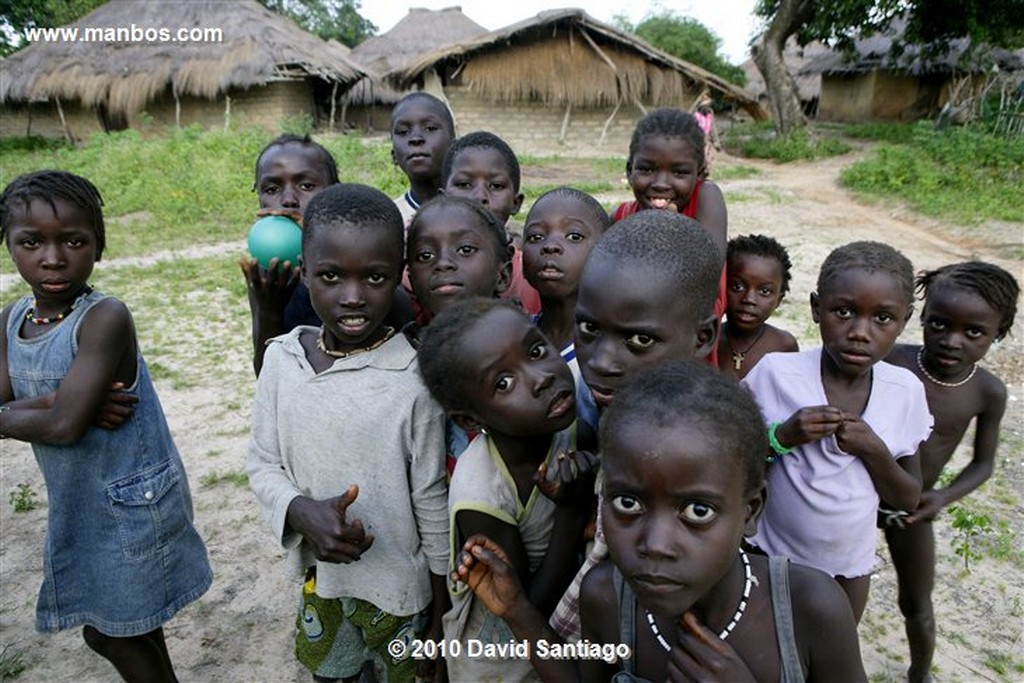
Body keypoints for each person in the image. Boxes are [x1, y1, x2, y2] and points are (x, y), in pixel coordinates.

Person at [451, 361, 866, 682]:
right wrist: (517, 611)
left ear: (751, 511)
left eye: (697, 511)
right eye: (628, 503)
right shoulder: (607, 596)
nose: (655, 543)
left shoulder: (810, 607)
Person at [0, 170, 212, 682]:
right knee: (130, 628)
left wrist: (61, 410)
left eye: (74, 241)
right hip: (81, 502)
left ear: (99, 245)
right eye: (31, 242)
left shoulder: (105, 317)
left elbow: (65, 426)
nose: (53, 258)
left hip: (130, 506)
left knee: (111, 632)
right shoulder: (10, 318)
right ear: (8, 245)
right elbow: (29, 409)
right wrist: (58, 401)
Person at [246, 183, 449, 682]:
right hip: (321, 584)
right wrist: (299, 511)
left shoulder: (414, 379)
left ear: (399, 277)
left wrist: (443, 616)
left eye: (375, 277)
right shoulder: (282, 359)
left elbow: (430, 499)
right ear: (305, 273)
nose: (353, 296)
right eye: (331, 276)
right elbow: (262, 462)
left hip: (401, 594)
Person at [550, 211, 723, 641]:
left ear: (703, 338)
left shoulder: (685, 445)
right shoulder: (627, 404)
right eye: (589, 329)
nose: (602, 362)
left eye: (639, 340)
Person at [743, 240, 932, 623]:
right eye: (843, 312)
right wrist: (782, 437)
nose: (860, 332)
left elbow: (908, 497)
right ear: (816, 308)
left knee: (830, 661)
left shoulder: (904, 390)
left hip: (847, 569)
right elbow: (731, 463)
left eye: (883, 318)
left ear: (906, 320)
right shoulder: (776, 374)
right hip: (765, 555)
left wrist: (874, 450)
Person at [418, 298, 594, 682]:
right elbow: (526, 607)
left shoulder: (564, 423)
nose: (542, 377)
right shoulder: (480, 492)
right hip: (502, 660)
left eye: (536, 351)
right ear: (470, 418)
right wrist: (572, 512)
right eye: (504, 382)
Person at [883, 261, 1018, 683]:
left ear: (999, 334)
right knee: (830, 584)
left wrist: (941, 497)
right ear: (920, 318)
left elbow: (983, 464)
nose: (951, 341)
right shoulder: (891, 362)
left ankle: (920, 674)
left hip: (913, 507)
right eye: (938, 324)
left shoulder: (987, 392)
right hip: (853, 494)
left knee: (917, 604)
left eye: (973, 332)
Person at [612, 107, 729, 365]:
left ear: (699, 173)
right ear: (630, 169)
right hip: (630, 356)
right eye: (647, 169)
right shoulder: (620, 217)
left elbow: (708, 266)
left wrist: (667, 227)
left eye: (679, 173)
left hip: (688, 356)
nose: (661, 183)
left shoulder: (705, 199)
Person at [239, 134, 338, 376]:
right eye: (271, 189)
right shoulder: (269, 269)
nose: (288, 200)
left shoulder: (358, 253)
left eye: (306, 186)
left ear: (335, 191)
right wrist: (268, 308)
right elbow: (265, 372)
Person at [442, 130, 541, 315]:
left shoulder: (533, 276)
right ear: (442, 197)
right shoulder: (423, 269)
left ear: (516, 203)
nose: (480, 197)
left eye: (496, 186)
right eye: (463, 184)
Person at [520, 187, 611, 382]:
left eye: (574, 237)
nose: (550, 246)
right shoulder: (514, 337)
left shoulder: (608, 351)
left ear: (608, 253)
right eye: (536, 237)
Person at [718, 234, 799, 379]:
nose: (749, 299)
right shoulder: (709, 340)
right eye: (737, 286)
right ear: (722, 288)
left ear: (779, 300)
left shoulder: (784, 346)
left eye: (765, 291)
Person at [390, 92, 456, 226]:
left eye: (430, 128)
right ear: (394, 156)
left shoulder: (477, 212)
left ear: (454, 147)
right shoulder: (389, 220)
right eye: (403, 132)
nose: (416, 139)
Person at [692, 91, 722, 178]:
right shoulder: (695, 115)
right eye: (705, 105)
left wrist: (716, 142)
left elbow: (713, 129)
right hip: (697, 141)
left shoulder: (709, 114)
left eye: (708, 105)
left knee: (707, 159)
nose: (707, 108)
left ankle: (704, 174)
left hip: (706, 141)